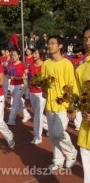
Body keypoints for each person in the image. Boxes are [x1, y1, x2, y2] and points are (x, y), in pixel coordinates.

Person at [41, 35, 78, 171]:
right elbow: (44, 83)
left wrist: (72, 107)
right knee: (52, 134)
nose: (49, 46)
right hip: (50, 104)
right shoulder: (46, 64)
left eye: (53, 43)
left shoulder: (66, 64)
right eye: (48, 43)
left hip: (63, 104)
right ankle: (57, 159)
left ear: (60, 46)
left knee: (58, 132)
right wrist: (44, 89)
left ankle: (71, 152)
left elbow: (70, 85)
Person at [76, 25, 90, 183]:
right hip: (86, 127)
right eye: (85, 39)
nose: (87, 42)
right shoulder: (80, 69)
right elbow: (80, 97)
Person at [28, 49, 48, 144]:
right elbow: (28, 78)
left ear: (40, 54)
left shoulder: (45, 65)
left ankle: (37, 136)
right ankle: (49, 127)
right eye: (33, 53)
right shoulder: (31, 65)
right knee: (37, 113)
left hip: (41, 93)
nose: (33, 55)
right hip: (32, 91)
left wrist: (41, 84)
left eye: (36, 53)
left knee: (37, 115)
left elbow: (47, 80)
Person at [7, 49, 31, 125]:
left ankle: (11, 120)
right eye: (12, 55)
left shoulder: (22, 65)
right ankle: (27, 115)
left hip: (20, 86)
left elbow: (27, 76)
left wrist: (19, 78)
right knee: (19, 102)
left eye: (14, 55)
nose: (13, 57)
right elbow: (8, 75)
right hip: (12, 85)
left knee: (15, 103)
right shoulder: (10, 64)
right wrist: (9, 76)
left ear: (19, 56)